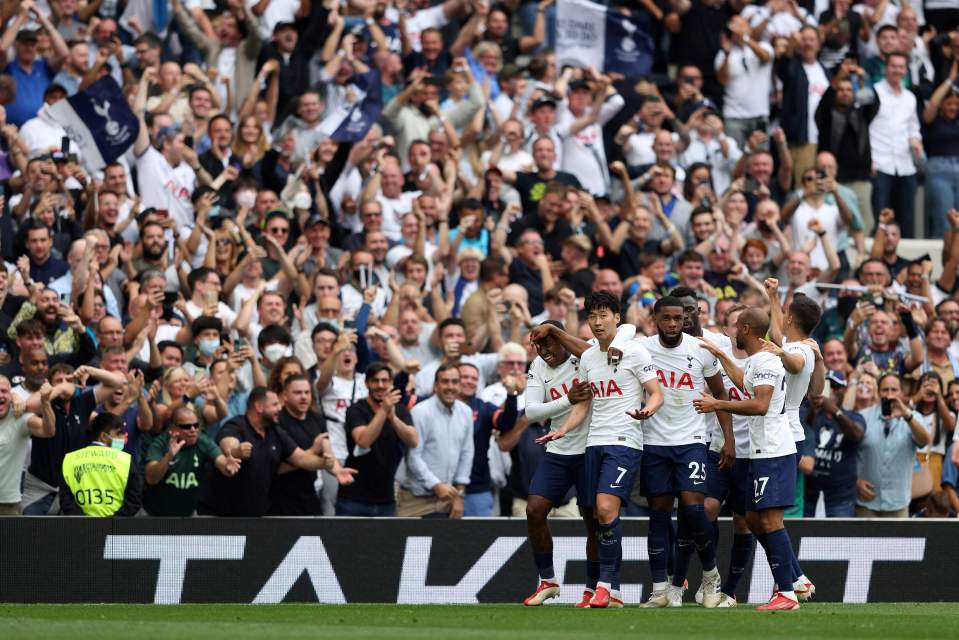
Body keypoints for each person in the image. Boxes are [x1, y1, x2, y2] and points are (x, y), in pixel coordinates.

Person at [535, 291, 663, 608]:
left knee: (606, 508)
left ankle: (606, 584)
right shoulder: (589, 358)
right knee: (595, 514)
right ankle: (611, 590)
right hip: (594, 442)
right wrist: (563, 429)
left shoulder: (635, 351)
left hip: (625, 442)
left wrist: (648, 410)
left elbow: (656, 392)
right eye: (592, 316)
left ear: (617, 318)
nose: (597, 322)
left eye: (604, 315)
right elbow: (585, 402)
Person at [693, 308, 801, 610]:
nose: (733, 333)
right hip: (759, 452)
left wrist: (717, 402)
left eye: (736, 327)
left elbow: (760, 404)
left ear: (747, 329)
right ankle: (795, 579)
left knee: (769, 519)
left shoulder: (767, 360)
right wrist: (720, 354)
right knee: (754, 518)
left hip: (773, 451)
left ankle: (788, 592)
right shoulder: (756, 360)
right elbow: (743, 382)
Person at [636, 296, 733, 608]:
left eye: (678, 318)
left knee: (694, 510)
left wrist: (727, 438)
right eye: (667, 318)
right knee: (659, 517)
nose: (674, 324)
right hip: (653, 443)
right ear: (656, 318)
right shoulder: (642, 349)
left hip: (691, 440)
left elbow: (719, 393)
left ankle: (710, 576)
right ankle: (660, 590)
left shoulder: (698, 349)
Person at [195, 386, 337, 517]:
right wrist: (236, 451)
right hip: (219, 515)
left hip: (255, 516)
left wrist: (323, 463)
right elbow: (228, 443)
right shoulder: (236, 425)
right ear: (259, 406)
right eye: (275, 404)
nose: (280, 408)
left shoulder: (276, 432)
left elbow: (301, 458)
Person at [336, 363, 418, 517]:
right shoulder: (356, 410)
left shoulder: (399, 410)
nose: (380, 385)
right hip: (353, 498)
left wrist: (392, 417)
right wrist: (384, 411)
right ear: (366, 383)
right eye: (375, 381)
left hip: (385, 499)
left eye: (385, 381)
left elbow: (413, 441)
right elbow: (364, 441)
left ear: (391, 383)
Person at [399, 364, 474, 518]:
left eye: (454, 382)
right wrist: (435, 484)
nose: (450, 387)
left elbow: (467, 453)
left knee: (446, 542)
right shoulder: (420, 411)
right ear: (435, 386)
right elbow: (413, 456)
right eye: (445, 381)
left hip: (447, 498)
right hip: (415, 499)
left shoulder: (465, 412)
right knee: (407, 542)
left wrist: (459, 495)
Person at [855, 373, 931, 517]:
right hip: (866, 503)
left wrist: (907, 416)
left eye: (894, 390)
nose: (890, 395)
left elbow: (924, 441)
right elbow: (849, 455)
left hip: (898, 504)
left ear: (902, 392)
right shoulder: (863, 417)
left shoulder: (914, 418)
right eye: (885, 390)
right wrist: (855, 482)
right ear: (878, 392)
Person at [143, 406, 241, 516]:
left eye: (196, 425)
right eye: (186, 426)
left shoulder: (202, 441)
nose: (193, 430)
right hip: (155, 516)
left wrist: (227, 466)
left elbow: (221, 461)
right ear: (173, 428)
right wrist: (168, 457)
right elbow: (151, 478)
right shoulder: (160, 444)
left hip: (188, 515)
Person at [805, 370, 865, 517]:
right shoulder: (810, 413)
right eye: (827, 385)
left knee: (838, 538)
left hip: (840, 497)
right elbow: (805, 433)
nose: (831, 390)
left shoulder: (854, 416)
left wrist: (834, 410)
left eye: (836, 386)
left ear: (844, 390)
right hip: (809, 494)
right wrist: (813, 408)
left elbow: (856, 434)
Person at [59, 413, 142, 517]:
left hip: (80, 529)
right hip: (115, 528)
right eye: (118, 433)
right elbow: (134, 499)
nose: (123, 438)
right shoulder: (125, 460)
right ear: (103, 436)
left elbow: (66, 500)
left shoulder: (70, 459)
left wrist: (81, 521)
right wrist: (113, 522)